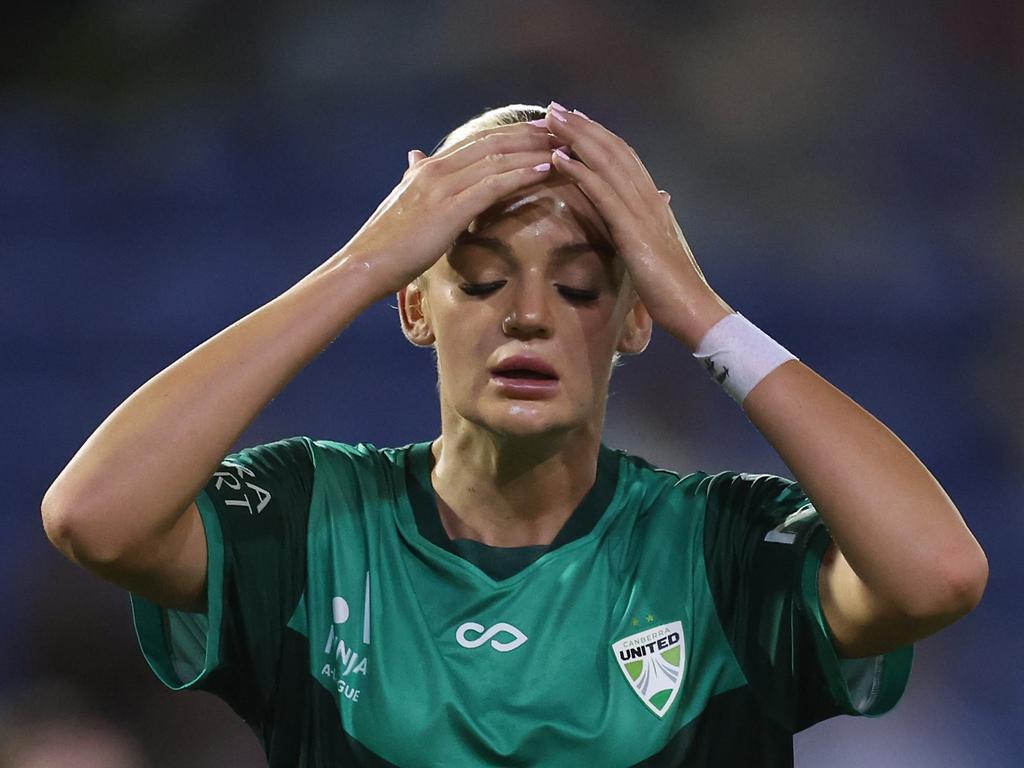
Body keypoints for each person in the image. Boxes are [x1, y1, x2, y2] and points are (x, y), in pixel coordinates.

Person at [41, 101, 988, 766]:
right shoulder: (313, 518)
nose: (530, 314)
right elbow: (95, 515)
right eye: (484, 278)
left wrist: (705, 311)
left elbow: (938, 573)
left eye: (579, 286)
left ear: (633, 319)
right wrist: (359, 266)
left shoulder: (726, 546)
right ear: (416, 306)